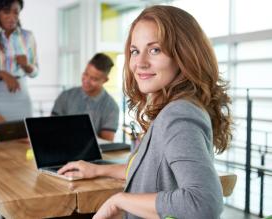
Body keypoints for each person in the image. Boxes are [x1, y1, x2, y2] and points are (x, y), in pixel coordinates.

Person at [58, 5, 232, 219]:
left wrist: (118, 201)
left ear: (183, 55)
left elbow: (204, 203)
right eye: (135, 51)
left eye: (155, 49)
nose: (139, 63)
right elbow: (146, 171)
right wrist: (97, 170)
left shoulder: (179, 115)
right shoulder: (173, 109)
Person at [51, 53, 119, 141]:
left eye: (94, 79)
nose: (86, 80)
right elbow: (52, 129)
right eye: (85, 74)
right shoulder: (65, 96)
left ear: (105, 80)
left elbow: (107, 143)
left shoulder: (111, 107)